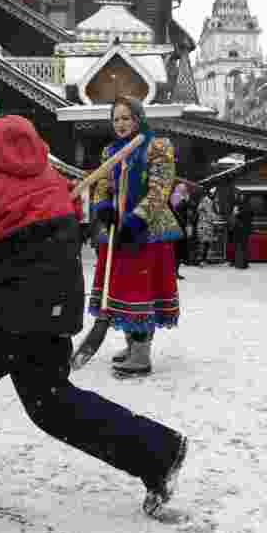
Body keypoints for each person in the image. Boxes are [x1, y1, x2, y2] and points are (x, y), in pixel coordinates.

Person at [0, 71, 187, 533]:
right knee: (51, 401)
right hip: (54, 294)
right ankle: (158, 453)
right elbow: (62, 217)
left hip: (13, 301)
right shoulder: (32, 155)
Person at [89, 96, 184, 377]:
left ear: (138, 119)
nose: (120, 124)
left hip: (147, 230)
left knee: (141, 289)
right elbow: (102, 185)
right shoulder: (110, 151)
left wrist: (136, 220)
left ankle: (141, 354)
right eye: (116, 119)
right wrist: (103, 207)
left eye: (126, 118)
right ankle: (132, 344)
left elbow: (160, 190)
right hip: (118, 230)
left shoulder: (157, 147)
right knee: (120, 288)